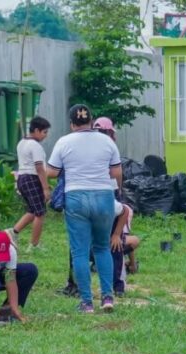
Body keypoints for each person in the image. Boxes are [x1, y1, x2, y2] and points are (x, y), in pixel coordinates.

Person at [46, 104, 122, 313]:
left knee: (79, 251)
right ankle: (107, 297)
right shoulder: (107, 141)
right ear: (91, 121)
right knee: (102, 247)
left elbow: (52, 172)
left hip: (76, 197)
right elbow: (116, 172)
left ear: (72, 124)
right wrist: (117, 193)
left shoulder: (64, 142)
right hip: (103, 196)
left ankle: (87, 302)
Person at [9, 116, 51, 251]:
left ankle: (12, 232)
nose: (46, 135)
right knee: (40, 213)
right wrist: (45, 188)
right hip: (32, 178)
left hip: (22, 178)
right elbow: (39, 168)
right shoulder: (35, 146)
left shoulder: (21, 143)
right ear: (37, 130)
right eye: (44, 132)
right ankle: (34, 245)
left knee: (32, 211)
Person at [110, 199, 141, 296]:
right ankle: (119, 286)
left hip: (91, 247)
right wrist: (132, 263)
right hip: (109, 246)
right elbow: (122, 238)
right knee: (134, 240)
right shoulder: (125, 209)